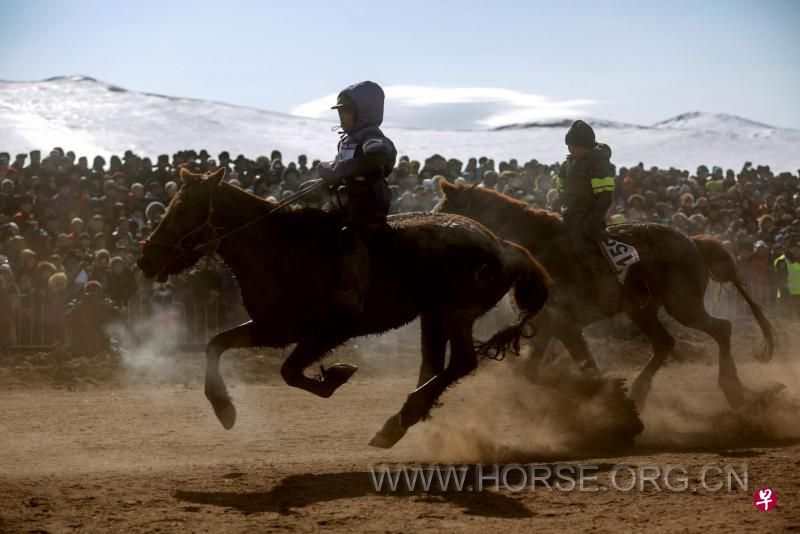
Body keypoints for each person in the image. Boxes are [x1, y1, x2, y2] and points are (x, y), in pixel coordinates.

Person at [316, 81, 397, 315]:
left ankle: (355, 292)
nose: (341, 116)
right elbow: (343, 168)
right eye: (340, 112)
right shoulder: (347, 139)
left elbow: (376, 160)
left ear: (364, 113)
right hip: (348, 201)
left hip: (368, 203)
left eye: (346, 111)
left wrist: (341, 170)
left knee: (350, 236)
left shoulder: (371, 135)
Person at [555, 120, 619, 310]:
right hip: (568, 213)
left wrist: (592, 220)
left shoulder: (599, 164)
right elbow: (561, 191)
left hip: (588, 217)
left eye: (575, 145)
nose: (571, 148)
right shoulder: (567, 163)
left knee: (582, 244)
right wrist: (553, 208)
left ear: (586, 145)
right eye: (569, 144)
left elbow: (605, 197)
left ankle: (603, 284)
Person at [774, 240, 800, 320]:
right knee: (789, 319)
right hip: (788, 295)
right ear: (788, 249)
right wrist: (785, 294)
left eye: (797, 248)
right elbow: (781, 279)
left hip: (797, 295)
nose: (796, 250)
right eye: (793, 248)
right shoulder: (782, 261)